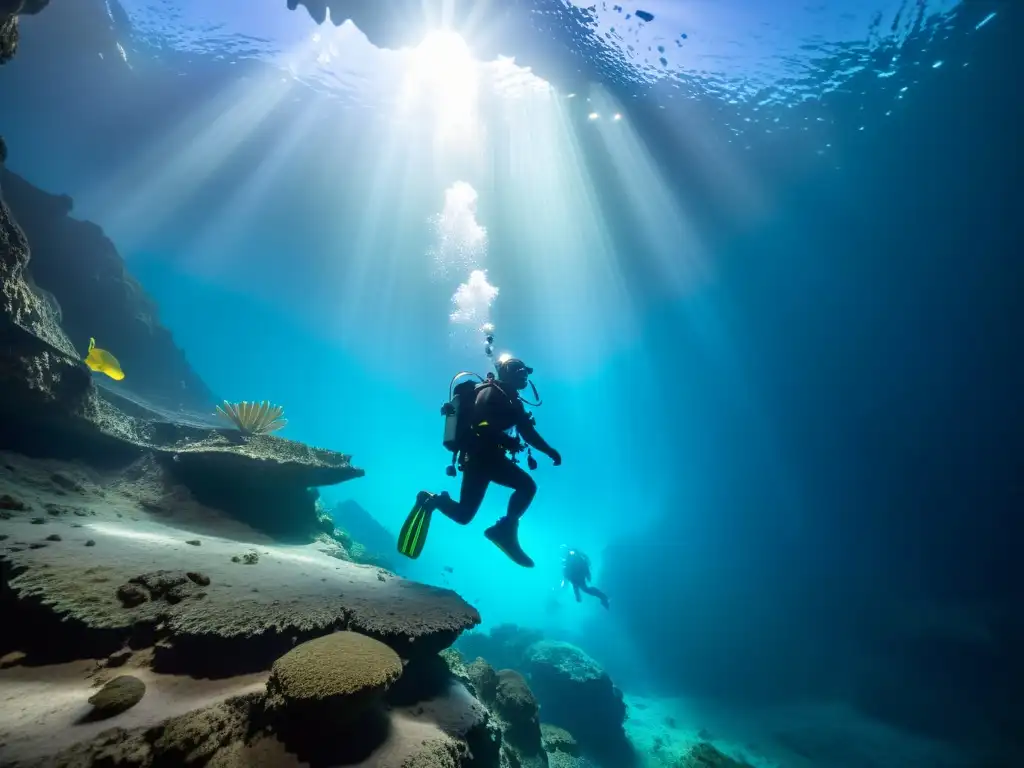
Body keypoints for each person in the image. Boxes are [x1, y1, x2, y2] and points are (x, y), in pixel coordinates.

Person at [398, 357, 561, 568]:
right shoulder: (492, 391)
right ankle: (504, 531)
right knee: (527, 486)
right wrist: (507, 441)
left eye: (525, 371)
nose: (524, 375)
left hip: (483, 459)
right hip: (481, 456)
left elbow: (528, 433)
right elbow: (480, 422)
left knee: (464, 515)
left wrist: (549, 451)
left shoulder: (513, 401)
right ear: (506, 373)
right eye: (517, 370)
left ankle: (435, 500)